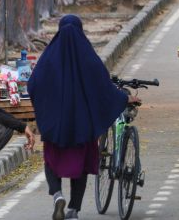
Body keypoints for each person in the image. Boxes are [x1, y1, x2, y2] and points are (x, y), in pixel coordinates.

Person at [28, 15, 139, 220]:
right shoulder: (88, 58)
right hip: (83, 126)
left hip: (55, 127)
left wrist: (47, 111)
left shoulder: (49, 59)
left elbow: (33, 85)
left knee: (52, 161)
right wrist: (124, 99)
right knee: (80, 165)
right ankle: (74, 209)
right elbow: (104, 88)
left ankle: (57, 195)